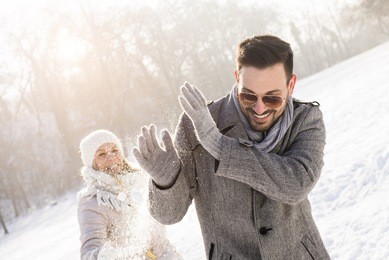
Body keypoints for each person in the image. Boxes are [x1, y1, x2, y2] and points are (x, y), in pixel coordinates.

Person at [133, 35, 330, 259]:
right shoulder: (195, 124)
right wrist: (165, 181)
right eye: (248, 95)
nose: (259, 108)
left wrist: (219, 145)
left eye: (272, 98)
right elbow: (169, 215)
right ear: (237, 78)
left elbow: (296, 184)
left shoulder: (306, 120)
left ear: (291, 84)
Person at [77, 129, 182, 260]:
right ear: (92, 163)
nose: (111, 157)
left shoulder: (139, 181)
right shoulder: (93, 201)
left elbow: (168, 214)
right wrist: (103, 256)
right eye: (101, 154)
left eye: (114, 151)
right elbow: (88, 251)